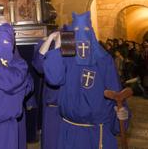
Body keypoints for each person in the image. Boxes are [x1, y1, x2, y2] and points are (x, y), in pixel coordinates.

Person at [42, 11, 129, 149]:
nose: (82, 35)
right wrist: (58, 48)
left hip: (97, 131)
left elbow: (117, 94)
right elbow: (54, 79)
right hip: (69, 129)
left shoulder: (104, 60)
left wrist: (122, 112)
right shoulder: (65, 58)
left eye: (86, 30)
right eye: (77, 30)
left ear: (92, 33)